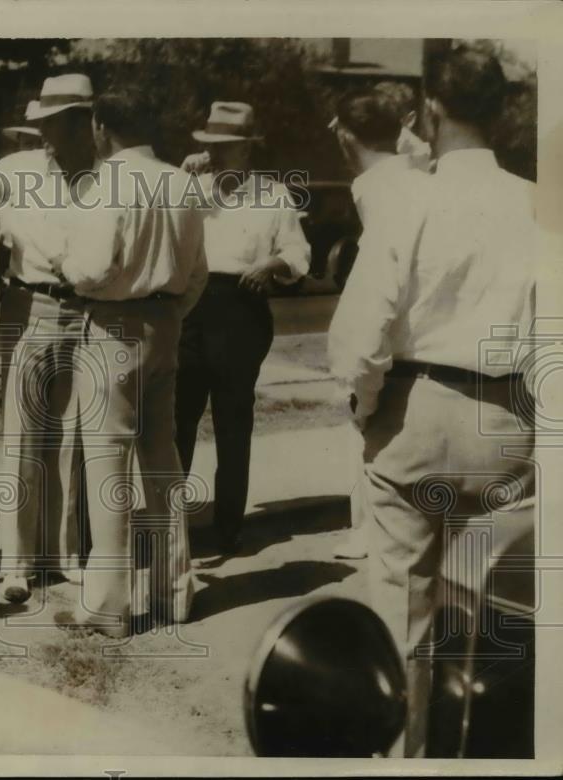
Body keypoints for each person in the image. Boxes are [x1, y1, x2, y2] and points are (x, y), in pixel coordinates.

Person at [327, 46, 536, 756]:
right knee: (489, 617)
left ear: (429, 111)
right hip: (507, 418)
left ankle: (404, 756)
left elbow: (364, 328)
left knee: (400, 614)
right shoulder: (540, 203)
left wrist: (364, 403)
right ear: (506, 112)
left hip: (415, 410)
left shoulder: (408, 197)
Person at [51, 88, 208, 636]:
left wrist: (66, 266)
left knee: (107, 466)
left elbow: (91, 269)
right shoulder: (181, 182)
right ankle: (173, 593)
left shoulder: (108, 184)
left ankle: (108, 606)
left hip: (114, 326)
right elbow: (197, 274)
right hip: (166, 325)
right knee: (162, 462)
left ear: (101, 127)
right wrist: (168, 313)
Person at [176, 102, 310, 554]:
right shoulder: (191, 187)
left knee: (234, 421)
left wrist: (270, 264)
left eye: (228, 147)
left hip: (241, 310)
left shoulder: (273, 195)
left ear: (248, 149)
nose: (217, 154)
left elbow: (297, 254)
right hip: (191, 309)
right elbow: (157, 224)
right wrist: (183, 173)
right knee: (179, 418)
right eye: (212, 146)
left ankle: (228, 526)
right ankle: (171, 524)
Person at [0, 74, 100, 603]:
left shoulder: (109, 178)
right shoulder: (13, 172)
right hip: (29, 306)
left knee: (73, 440)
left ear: (86, 122)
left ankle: (61, 556)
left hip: (88, 312)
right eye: (43, 124)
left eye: (59, 123)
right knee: (22, 442)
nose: (49, 133)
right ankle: (15, 564)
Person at [327, 88, 432, 562]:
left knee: (367, 424)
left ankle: (369, 528)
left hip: (398, 357)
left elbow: (375, 311)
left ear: (345, 135)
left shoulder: (385, 190)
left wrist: (362, 391)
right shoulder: (412, 174)